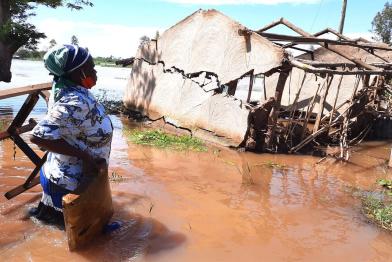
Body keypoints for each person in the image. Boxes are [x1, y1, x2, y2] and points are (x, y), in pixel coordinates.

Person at [29, 45, 113, 227]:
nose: (95, 71)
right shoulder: (74, 101)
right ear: (79, 72)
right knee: (69, 232)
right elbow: (38, 137)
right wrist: (85, 157)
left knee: (51, 223)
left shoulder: (67, 90)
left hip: (69, 175)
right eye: (91, 68)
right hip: (69, 182)